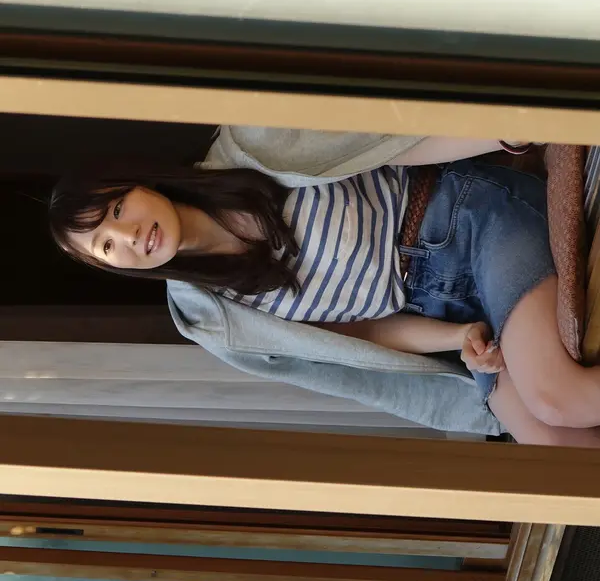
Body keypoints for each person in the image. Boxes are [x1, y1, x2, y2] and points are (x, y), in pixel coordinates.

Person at [48, 128, 599, 447]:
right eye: (105, 247)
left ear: (136, 183)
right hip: (438, 307)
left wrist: (505, 130)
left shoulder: (244, 151)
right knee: (556, 446)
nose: (127, 236)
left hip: (464, 220)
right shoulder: (215, 313)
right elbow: (366, 334)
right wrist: (459, 339)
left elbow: (387, 144)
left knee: (555, 398)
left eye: (116, 210)